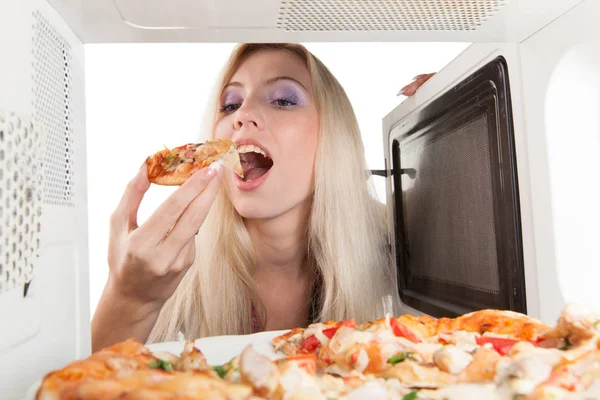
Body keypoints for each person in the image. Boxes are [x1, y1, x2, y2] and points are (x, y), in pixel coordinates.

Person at [91, 43, 434, 351]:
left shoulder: (395, 249)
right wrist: (129, 298)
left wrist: (453, 104)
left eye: (283, 100)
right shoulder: (172, 268)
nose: (241, 117)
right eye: (229, 105)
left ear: (334, 135)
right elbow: (83, 384)